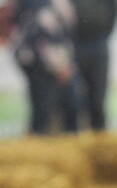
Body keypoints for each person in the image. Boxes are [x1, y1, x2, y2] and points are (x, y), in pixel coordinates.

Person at [8, 0, 78, 134]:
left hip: (54, 60)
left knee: (63, 108)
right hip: (41, 63)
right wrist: (60, 66)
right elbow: (40, 35)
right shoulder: (37, 4)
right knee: (43, 112)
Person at [69, 0, 117, 130]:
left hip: (98, 43)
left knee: (98, 99)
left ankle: (99, 137)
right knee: (73, 100)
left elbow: (113, 12)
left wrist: (103, 33)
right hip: (75, 45)